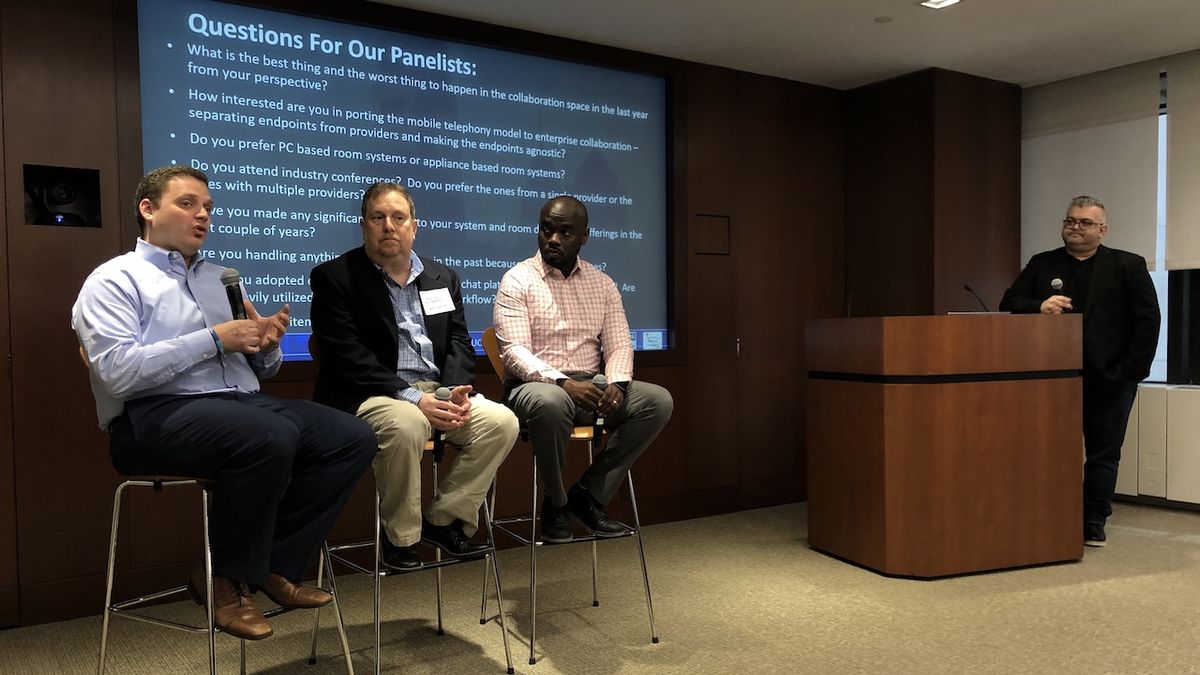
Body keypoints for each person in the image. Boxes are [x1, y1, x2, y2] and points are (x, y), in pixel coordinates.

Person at [71, 166, 377, 640]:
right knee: (268, 436)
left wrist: (267, 345)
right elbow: (117, 372)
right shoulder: (114, 280)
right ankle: (226, 581)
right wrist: (213, 339)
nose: (203, 216)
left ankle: (274, 564)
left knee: (352, 435)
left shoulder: (221, 280)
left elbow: (259, 371)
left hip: (240, 405)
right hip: (151, 417)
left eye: (209, 207)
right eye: (188, 204)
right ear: (147, 209)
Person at [310, 182, 518, 571]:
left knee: (501, 421)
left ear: (414, 227)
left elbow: (458, 341)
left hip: (436, 391)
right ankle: (400, 538)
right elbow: (346, 356)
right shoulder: (335, 277)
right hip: (372, 393)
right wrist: (415, 398)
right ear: (363, 226)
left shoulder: (443, 277)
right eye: (378, 217)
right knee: (406, 424)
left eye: (398, 218)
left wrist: (451, 392)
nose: (389, 226)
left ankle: (444, 521)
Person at [494, 195, 673, 543]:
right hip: (534, 388)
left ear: (584, 237)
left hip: (592, 386)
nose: (554, 239)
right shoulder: (517, 280)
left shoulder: (602, 284)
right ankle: (555, 503)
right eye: (547, 230)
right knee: (552, 402)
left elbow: (620, 343)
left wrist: (618, 385)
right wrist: (562, 382)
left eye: (565, 232)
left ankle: (588, 495)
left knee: (658, 402)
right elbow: (514, 352)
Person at [999, 195, 1160, 547]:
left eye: (1084, 223)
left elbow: (1148, 321)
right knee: (1051, 446)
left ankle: (1093, 519)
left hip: (1112, 376)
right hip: (1052, 376)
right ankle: (1054, 511)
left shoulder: (1127, 265)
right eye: (1070, 221)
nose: (1075, 227)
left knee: (1103, 451)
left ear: (1102, 230)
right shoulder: (1042, 264)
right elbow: (1008, 303)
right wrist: (1038, 306)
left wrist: (1132, 370)